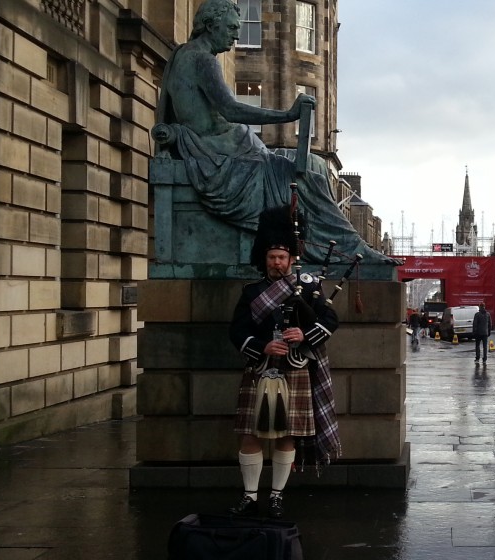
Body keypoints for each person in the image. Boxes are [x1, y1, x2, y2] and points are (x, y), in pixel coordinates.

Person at [157, 0, 391, 265]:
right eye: (232, 27)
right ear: (211, 26)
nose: (236, 34)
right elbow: (231, 110)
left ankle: (347, 247)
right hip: (219, 154)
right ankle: (347, 250)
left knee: (313, 165)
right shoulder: (202, 60)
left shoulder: (181, 55)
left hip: (228, 148)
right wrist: (288, 115)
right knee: (310, 172)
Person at [228, 206, 341, 519]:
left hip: (295, 368)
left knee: (287, 435)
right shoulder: (251, 292)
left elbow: (330, 319)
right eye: (272, 257)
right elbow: (237, 330)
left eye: (282, 257)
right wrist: (263, 346)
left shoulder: (308, 286)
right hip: (260, 369)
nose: (277, 262)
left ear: (292, 259)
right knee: (249, 434)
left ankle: (276, 496)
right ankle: (250, 496)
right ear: (264, 259)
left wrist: (303, 333)